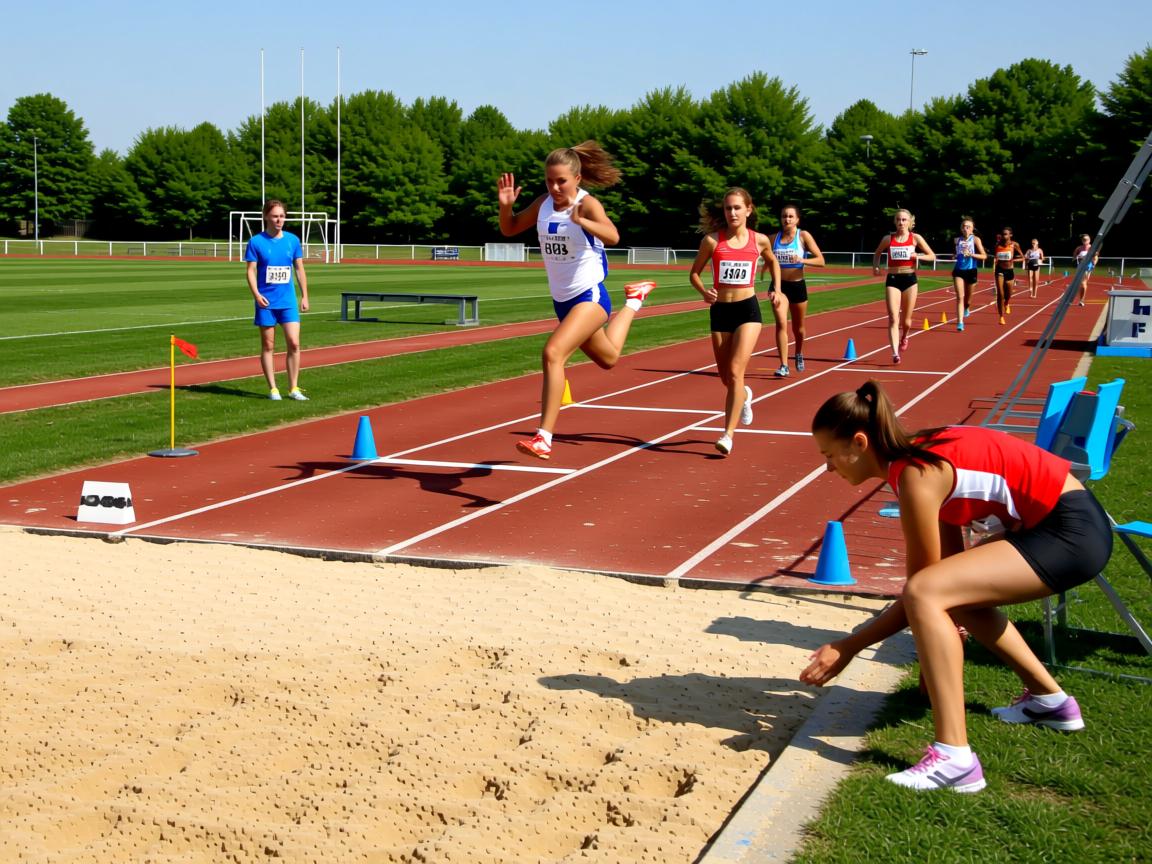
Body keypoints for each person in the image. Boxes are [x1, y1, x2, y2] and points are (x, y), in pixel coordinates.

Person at [802, 380, 1112, 792]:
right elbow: (944, 572)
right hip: (1068, 523)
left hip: (1070, 531)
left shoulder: (916, 476)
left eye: (829, 455)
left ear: (859, 442)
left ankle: (954, 758)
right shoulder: (921, 453)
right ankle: (1051, 702)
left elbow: (921, 589)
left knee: (926, 592)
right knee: (944, 591)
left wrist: (849, 645)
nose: (828, 467)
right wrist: (937, 656)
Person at [497, 141, 655, 461]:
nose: (554, 187)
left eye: (561, 181)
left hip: (589, 295)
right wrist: (505, 206)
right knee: (608, 358)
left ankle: (543, 437)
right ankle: (635, 300)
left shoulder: (587, 204)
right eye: (549, 181)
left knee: (553, 353)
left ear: (577, 179)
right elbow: (510, 228)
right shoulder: (543, 204)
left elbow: (612, 236)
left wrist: (583, 221)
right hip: (563, 301)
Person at [688, 188, 781, 457]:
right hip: (720, 311)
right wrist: (704, 291)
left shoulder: (760, 240)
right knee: (725, 377)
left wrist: (776, 288)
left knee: (737, 371)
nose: (732, 213)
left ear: (748, 210)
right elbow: (694, 274)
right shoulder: (712, 242)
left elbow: (772, 261)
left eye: (738, 208)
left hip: (747, 311)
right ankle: (745, 396)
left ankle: (727, 434)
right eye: (728, 208)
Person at [245, 199, 310, 400]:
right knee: (269, 346)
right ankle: (273, 389)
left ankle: (293, 388)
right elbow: (250, 271)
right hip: (266, 302)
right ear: (266, 216)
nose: (279, 220)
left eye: (282, 216)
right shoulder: (256, 242)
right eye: (275, 216)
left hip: (288, 301)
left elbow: (299, 269)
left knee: (294, 343)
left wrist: (305, 295)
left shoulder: (292, 240)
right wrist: (257, 295)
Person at [768, 203, 825, 376]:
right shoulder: (773, 238)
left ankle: (798, 352)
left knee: (798, 329)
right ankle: (783, 365)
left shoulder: (803, 236)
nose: (787, 219)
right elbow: (767, 258)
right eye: (784, 216)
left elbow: (821, 260)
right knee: (781, 323)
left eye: (791, 216)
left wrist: (801, 259)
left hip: (797, 285)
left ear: (797, 219)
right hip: (779, 287)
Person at [872, 209, 935, 365]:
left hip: (910, 279)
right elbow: (877, 253)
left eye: (904, 220)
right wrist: (876, 267)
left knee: (906, 321)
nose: (901, 222)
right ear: (895, 221)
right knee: (893, 318)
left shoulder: (915, 238)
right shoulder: (888, 238)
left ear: (910, 222)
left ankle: (905, 336)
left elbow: (932, 256)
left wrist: (917, 256)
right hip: (893, 278)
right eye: (898, 219)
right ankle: (895, 353)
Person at [950, 217, 987, 331]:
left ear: (972, 229)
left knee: (968, 299)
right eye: (964, 227)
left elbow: (984, 256)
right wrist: (955, 256)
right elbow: (954, 254)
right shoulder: (957, 240)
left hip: (971, 270)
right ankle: (960, 322)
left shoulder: (976, 240)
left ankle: (967, 307)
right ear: (961, 228)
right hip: (959, 271)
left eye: (968, 227)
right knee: (960, 297)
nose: (966, 229)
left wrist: (971, 255)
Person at [992, 226, 1024, 323]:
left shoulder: (1014, 245)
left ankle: (1006, 303)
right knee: (1000, 294)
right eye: (1002, 234)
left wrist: (1013, 260)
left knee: (1008, 294)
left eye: (1006, 234)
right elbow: (995, 257)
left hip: (1009, 271)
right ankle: (1001, 316)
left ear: (1010, 235)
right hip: (999, 270)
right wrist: (995, 262)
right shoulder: (998, 245)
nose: (1004, 236)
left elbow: (1023, 258)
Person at [1073, 234, 1099, 307]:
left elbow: (1096, 258)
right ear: (1082, 240)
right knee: (1082, 284)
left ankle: (1081, 300)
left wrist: (1093, 264)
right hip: (1080, 267)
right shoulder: (1078, 248)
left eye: (1086, 239)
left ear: (1089, 240)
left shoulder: (1092, 248)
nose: (1085, 241)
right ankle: (1081, 299)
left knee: (1083, 283)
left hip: (1088, 267)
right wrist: (1079, 257)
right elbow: (1074, 258)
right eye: (1084, 239)